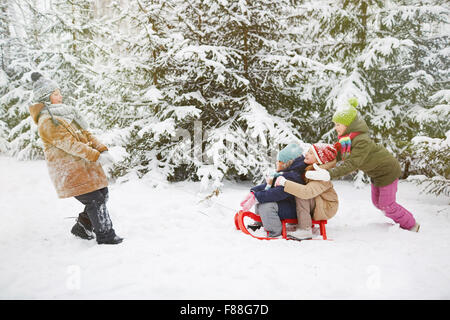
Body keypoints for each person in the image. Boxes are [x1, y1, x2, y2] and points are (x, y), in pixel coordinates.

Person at [28, 72, 123, 244]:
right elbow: (70, 144)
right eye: (55, 94)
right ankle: (106, 236)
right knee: (95, 199)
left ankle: (83, 226)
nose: (60, 96)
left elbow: (86, 134)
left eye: (59, 92)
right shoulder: (47, 121)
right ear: (46, 98)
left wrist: (102, 150)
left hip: (85, 167)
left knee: (103, 193)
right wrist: (96, 156)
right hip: (69, 170)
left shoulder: (66, 115)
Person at [305, 98, 420, 232]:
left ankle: (411, 225)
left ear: (349, 124)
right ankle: (400, 221)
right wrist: (319, 160)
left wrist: (329, 174)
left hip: (387, 170)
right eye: (335, 124)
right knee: (377, 203)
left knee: (386, 204)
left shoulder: (361, 141)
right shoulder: (347, 140)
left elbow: (352, 163)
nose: (335, 128)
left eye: (338, 124)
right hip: (376, 173)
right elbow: (336, 154)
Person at [240, 143, 307, 238]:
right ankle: (260, 222)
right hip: (287, 204)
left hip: (295, 209)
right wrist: (254, 192)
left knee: (266, 205)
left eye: (279, 161)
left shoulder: (293, 177)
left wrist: (258, 196)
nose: (277, 163)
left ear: (286, 163)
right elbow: (269, 185)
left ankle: (275, 231)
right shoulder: (286, 174)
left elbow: (279, 193)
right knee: (262, 199)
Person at [274, 143, 339, 240]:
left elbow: (306, 192)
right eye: (308, 151)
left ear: (319, 161)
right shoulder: (309, 168)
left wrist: (284, 183)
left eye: (311, 153)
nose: (307, 154)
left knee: (302, 195)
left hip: (327, 206)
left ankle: (305, 230)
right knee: (299, 191)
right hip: (318, 201)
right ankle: (297, 221)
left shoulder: (321, 176)